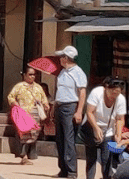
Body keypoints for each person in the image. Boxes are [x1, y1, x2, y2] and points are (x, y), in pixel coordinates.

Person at [83, 76, 129, 179]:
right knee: (91, 158)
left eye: (117, 94)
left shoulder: (120, 99)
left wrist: (118, 134)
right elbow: (89, 112)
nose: (114, 96)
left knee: (106, 159)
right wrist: (96, 128)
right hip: (91, 126)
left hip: (108, 130)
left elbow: (120, 119)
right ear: (106, 88)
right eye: (112, 93)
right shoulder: (97, 93)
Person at [54, 45, 88, 179]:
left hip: (70, 107)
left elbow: (82, 92)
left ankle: (72, 171)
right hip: (60, 106)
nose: (60, 59)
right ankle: (63, 169)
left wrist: (79, 111)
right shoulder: (62, 72)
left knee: (69, 139)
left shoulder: (78, 72)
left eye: (62, 57)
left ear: (66, 58)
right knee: (60, 139)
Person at [7, 66, 51, 165]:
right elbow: (10, 97)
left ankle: (29, 154)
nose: (32, 76)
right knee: (24, 134)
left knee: (34, 134)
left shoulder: (38, 87)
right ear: (25, 75)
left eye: (34, 74)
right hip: (23, 114)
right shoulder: (19, 86)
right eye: (30, 74)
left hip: (35, 115)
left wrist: (46, 105)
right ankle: (24, 156)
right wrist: (15, 104)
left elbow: (44, 99)